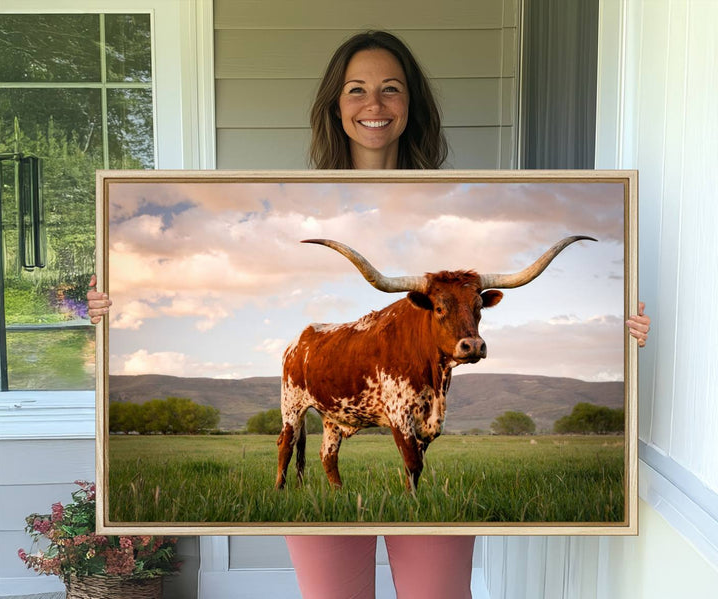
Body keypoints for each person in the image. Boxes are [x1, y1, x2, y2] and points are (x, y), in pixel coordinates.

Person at [88, 30, 651, 599]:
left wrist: (624, 331)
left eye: (391, 89)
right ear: (336, 104)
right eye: (356, 90)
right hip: (325, 371)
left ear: (412, 105)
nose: (374, 105)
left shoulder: (462, 194)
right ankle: (300, 474)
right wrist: (113, 304)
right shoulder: (289, 196)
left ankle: (411, 482)